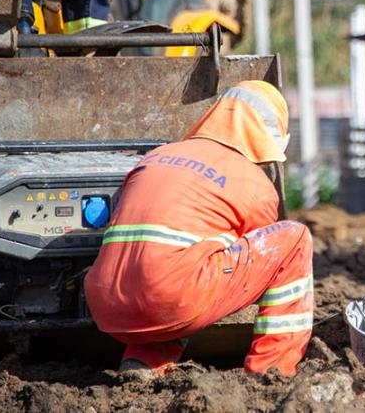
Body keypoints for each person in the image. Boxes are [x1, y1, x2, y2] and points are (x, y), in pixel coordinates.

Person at [84, 80, 313, 377]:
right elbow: (262, 262)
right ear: (274, 137)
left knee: (185, 257)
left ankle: (144, 361)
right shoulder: (253, 182)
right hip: (170, 299)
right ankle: (272, 369)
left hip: (106, 303)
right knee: (293, 240)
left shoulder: (156, 157)